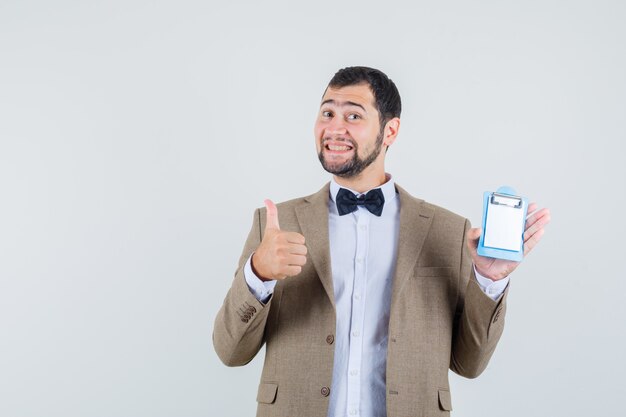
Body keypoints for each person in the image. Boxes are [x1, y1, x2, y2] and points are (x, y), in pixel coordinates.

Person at [213, 66, 550, 417]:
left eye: (353, 115)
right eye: (327, 113)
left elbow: (470, 363)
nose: (334, 128)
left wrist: (489, 280)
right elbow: (230, 351)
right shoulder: (275, 225)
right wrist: (258, 275)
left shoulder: (447, 232)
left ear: (390, 130)